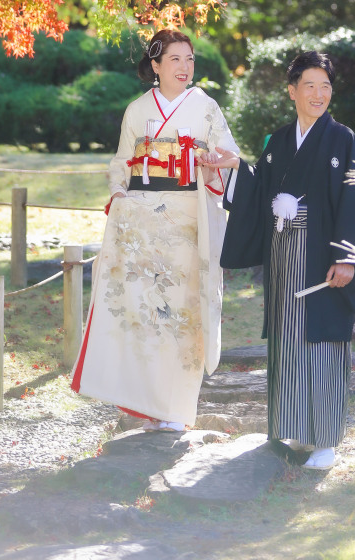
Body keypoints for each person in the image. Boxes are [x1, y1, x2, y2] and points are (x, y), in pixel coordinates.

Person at [219, 50, 355, 470]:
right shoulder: (276, 142)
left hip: (323, 253)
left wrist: (348, 258)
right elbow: (258, 192)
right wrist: (237, 167)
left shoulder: (343, 139)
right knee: (289, 338)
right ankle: (289, 427)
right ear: (292, 91)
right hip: (282, 251)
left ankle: (325, 440)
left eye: (325, 86)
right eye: (309, 85)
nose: (318, 93)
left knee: (323, 339)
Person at [71, 28, 240, 431]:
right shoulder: (137, 110)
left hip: (187, 217)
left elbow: (232, 156)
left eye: (190, 59)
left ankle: (177, 410)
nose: (185, 67)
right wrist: (119, 194)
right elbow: (121, 163)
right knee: (144, 310)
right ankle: (145, 405)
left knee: (183, 313)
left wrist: (212, 160)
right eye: (176, 59)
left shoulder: (205, 107)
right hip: (143, 221)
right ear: (156, 66)